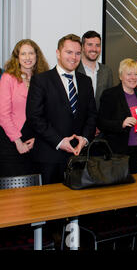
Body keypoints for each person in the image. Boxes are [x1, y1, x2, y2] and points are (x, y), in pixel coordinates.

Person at [26, 34, 97, 184]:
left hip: (79, 157)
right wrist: (59, 141)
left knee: (78, 206)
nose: (74, 57)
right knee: (48, 205)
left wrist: (84, 139)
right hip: (49, 158)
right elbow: (34, 117)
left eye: (78, 53)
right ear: (58, 53)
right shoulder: (41, 80)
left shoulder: (86, 81)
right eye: (69, 52)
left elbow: (92, 115)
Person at [0, 39, 49, 177]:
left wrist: (38, 139)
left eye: (31, 53)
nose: (27, 58)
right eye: (23, 54)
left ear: (37, 56)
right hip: (11, 140)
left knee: (35, 190)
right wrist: (18, 141)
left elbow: (47, 112)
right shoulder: (8, 77)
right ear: (17, 57)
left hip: (36, 140)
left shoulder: (44, 79)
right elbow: (3, 114)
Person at [97, 59, 137, 173]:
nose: (133, 77)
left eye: (136, 74)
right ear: (121, 76)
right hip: (117, 151)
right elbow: (101, 122)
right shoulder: (110, 95)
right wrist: (121, 123)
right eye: (129, 74)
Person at [76, 30, 113, 109]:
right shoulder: (74, 70)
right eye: (90, 45)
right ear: (82, 47)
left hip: (101, 120)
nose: (94, 49)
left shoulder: (107, 71)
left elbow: (110, 100)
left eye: (97, 45)